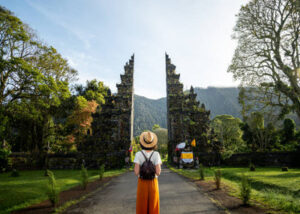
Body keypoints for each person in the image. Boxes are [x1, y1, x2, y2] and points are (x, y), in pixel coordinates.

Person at [134, 131, 162, 214]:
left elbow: (136, 172)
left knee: (141, 206)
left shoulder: (138, 154)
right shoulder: (156, 154)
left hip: (142, 182)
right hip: (153, 182)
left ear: (142, 143)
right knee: (153, 205)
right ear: (153, 143)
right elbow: (158, 172)